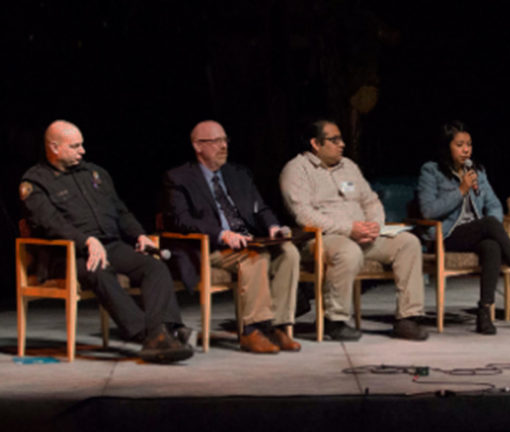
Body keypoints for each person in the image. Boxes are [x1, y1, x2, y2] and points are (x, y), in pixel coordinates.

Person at [20, 120, 193, 363]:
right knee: (99, 271)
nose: (83, 151)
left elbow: (120, 212)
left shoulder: (96, 173)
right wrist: (86, 241)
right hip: (68, 254)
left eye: (82, 145)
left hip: (111, 245)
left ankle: (162, 332)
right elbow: (51, 223)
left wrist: (139, 235)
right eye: (75, 146)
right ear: (54, 148)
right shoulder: (35, 182)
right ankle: (152, 335)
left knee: (153, 266)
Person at [279, 119, 428, 341]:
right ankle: (335, 320)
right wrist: (349, 229)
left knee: (408, 242)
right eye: (334, 139)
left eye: (341, 139)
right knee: (347, 251)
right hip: (322, 239)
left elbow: (371, 200)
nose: (342, 144)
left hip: (363, 235)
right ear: (315, 143)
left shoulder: (348, 166)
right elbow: (304, 215)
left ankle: (407, 318)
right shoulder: (296, 170)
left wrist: (374, 225)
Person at [163, 120, 302, 354]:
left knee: (289, 252)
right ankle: (251, 331)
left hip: (247, 241)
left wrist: (272, 227)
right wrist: (221, 234)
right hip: (211, 248)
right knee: (254, 258)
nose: (223, 146)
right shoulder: (179, 178)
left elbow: (261, 208)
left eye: (225, 140)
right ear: (198, 146)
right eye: (216, 141)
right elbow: (180, 220)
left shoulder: (238, 174)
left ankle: (276, 326)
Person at [417, 121, 510, 335]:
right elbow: (428, 210)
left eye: (469, 145)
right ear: (447, 147)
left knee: (492, 245)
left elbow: (494, 205)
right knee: (490, 225)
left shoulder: (477, 172)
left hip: (476, 231)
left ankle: (484, 311)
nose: (466, 150)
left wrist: (492, 225)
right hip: (446, 235)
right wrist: (461, 190)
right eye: (460, 145)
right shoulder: (431, 171)